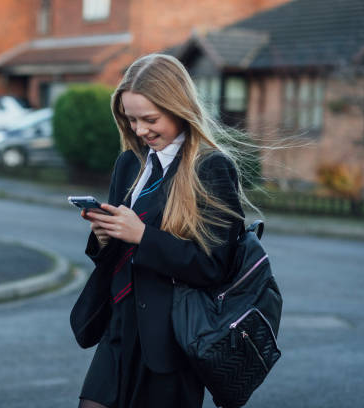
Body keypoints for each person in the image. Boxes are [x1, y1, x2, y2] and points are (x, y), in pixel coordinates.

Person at [70, 53, 250, 408]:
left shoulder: (211, 168)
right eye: (131, 119)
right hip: (119, 327)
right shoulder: (129, 163)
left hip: (172, 340)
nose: (139, 130)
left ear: (178, 107)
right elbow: (115, 254)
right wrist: (104, 237)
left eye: (150, 119)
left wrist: (142, 236)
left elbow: (215, 266)